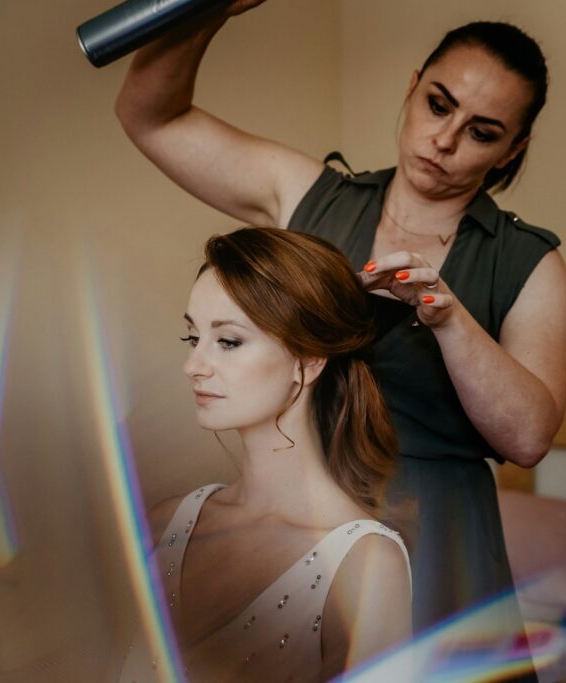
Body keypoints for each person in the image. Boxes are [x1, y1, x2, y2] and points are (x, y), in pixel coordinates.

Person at [114, 0, 566, 647]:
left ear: (512, 149)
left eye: (482, 131)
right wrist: (209, 11)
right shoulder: (307, 193)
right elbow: (149, 114)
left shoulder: (529, 262)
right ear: (412, 87)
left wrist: (446, 316)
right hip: (296, 513)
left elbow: (528, 437)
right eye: (439, 104)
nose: (444, 140)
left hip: (438, 529)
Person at [119, 228, 412, 683]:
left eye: (229, 341)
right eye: (191, 337)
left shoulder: (365, 566)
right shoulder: (166, 525)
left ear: (311, 359)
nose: (193, 365)